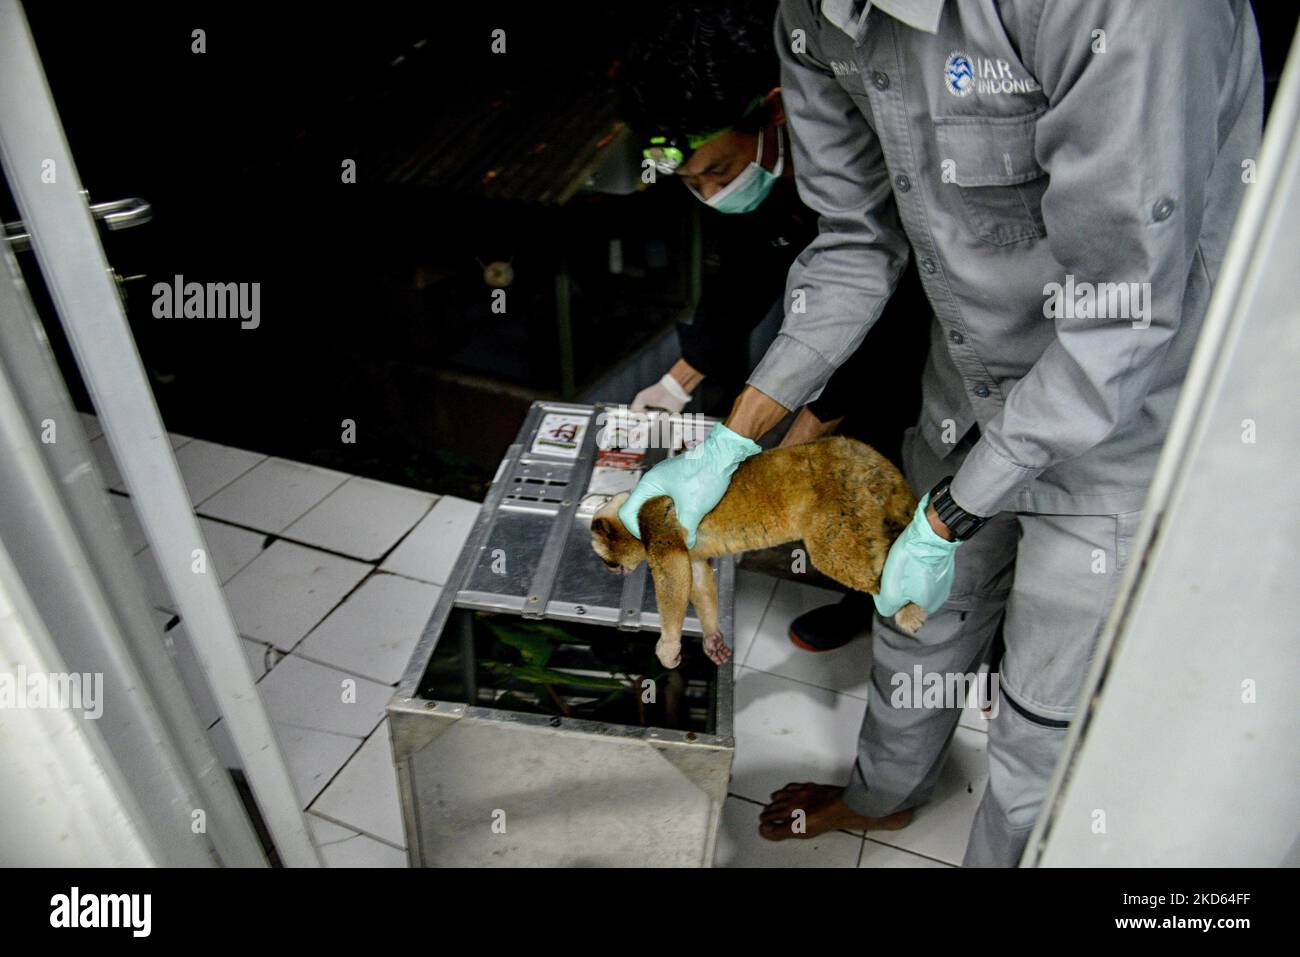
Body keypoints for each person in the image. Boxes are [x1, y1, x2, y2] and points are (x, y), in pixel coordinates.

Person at [618, 0, 1263, 866]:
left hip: (1123, 420)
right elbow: (853, 242)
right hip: (967, 382)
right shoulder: (812, 19)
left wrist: (950, 514)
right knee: (920, 620)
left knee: (1043, 714)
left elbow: (1123, 311)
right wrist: (731, 440)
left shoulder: (1120, 12)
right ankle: (883, 797)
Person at [617, 1, 926, 462]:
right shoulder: (748, 177)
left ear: (774, 109)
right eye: (691, 183)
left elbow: (888, 323)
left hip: (919, 368)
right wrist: (676, 383)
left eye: (719, 171)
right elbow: (744, 272)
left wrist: (783, 454)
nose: (711, 193)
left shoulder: (872, 165)